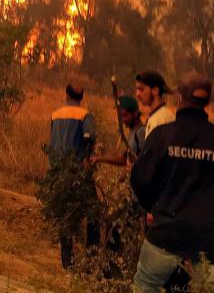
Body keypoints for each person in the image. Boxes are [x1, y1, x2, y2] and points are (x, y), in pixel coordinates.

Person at [130, 72, 214, 293]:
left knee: (146, 286)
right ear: (208, 101)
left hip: (167, 232)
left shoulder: (162, 136)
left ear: (179, 98)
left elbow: (139, 180)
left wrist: (152, 207)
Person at [48, 84, 98, 270]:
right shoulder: (85, 115)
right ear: (82, 96)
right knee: (94, 213)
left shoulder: (55, 115)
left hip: (58, 172)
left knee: (65, 213)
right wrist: (87, 159)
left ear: (66, 94)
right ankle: (92, 258)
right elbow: (89, 137)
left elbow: (52, 142)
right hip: (78, 172)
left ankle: (67, 261)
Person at [90, 95, 145, 166]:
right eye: (121, 116)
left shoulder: (141, 132)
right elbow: (126, 159)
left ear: (135, 113)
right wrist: (99, 159)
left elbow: (144, 160)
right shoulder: (133, 131)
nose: (123, 119)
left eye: (125, 115)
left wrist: (100, 159)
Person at [135, 71, 175, 138]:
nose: (137, 94)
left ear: (155, 90)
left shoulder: (163, 119)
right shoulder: (156, 116)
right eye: (137, 89)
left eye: (141, 89)